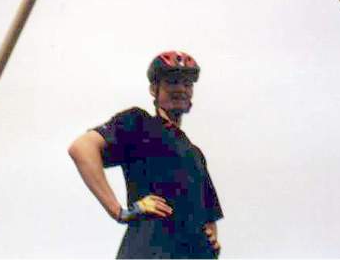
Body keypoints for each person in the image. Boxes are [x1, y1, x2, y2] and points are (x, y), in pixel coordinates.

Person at [68, 51, 224, 258]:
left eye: (187, 84)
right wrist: (120, 211)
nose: (181, 89)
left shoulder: (194, 155)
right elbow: (82, 148)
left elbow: (209, 215)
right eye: (172, 82)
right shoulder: (139, 123)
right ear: (154, 89)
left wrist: (210, 239)